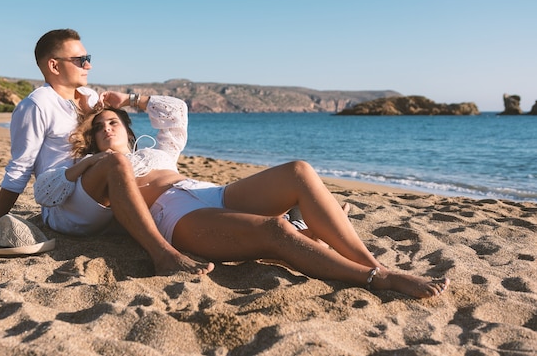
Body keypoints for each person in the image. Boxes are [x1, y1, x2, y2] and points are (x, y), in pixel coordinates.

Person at [39, 93, 450, 298]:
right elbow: (49, 191)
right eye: (99, 126)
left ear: (128, 131)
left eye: (114, 123)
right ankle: (376, 278)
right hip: (174, 215)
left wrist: (129, 99)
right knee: (274, 232)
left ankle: (368, 260)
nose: (107, 127)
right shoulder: (98, 169)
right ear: (91, 138)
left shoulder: (156, 152)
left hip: (213, 192)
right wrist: (86, 163)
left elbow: (177, 111)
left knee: (299, 171)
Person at [0, 28, 213, 275]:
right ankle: (162, 254)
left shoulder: (87, 95)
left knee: (132, 169)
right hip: (64, 203)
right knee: (116, 162)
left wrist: (124, 101)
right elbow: (20, 167)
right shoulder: (36, 105)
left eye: (89, 58)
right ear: (54, 66)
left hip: (100, 190)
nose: (88, 66)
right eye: (80, 60)